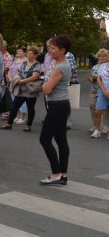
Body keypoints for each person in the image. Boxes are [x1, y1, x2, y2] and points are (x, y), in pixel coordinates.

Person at [39, 35, 72, 185]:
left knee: (45, 139)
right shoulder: (58, 64)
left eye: (53, 48)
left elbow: (46, 89)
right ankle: (63, 174)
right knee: (61, 140)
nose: (50, 50)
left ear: (62, 50)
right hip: (60, 105)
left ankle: (56, 173)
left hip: (57, 106)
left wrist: (43, 85)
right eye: (50, 47)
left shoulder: (60, 67)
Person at [1, 45, 41, 132]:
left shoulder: (37, 65)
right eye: (28, 53)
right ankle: (9, 123)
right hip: (21, 90)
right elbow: (18, 73)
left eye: (31, 53)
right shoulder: (24, 63)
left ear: (35, 55)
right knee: (14, 106)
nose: (28, 55)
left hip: (31, 90)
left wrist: (22, 81)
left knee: (30, 108)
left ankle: (28, 125)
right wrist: (18, 79)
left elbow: (35, 77)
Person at [6, 47, 28, 124]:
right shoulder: (15, 59)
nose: (18, 52)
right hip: (12, 82)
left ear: (25, 53)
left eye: (20, 51)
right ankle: (17, 116)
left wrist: (16, 79)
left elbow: (25, 73)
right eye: (17, 51)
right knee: (13, 100)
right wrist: (8, 77)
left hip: (19, 82)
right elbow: (10, 69)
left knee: (21, 100)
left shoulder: (26, 61)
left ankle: (22, 117)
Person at [90, 49, 109, 137]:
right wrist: (104, 90)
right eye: (100, 56)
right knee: (97, 111)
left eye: (104, 56)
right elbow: (98, 78)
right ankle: (97, 130)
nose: (102, 57)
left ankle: (107, 129)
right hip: (101, 91)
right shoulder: (101, 66)